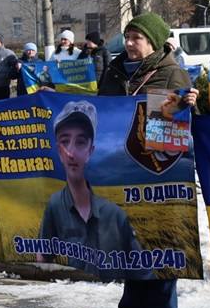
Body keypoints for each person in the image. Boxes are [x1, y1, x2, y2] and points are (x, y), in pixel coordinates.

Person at [97, 12, 197, 308]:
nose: (129, 43)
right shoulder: (114, 71)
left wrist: (192, 104)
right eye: (127, 37)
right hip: (120, 166)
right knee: (129, 238)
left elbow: (188, 120)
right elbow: (100, 110)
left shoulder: (171, 73)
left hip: (158, 169)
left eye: (136, 38)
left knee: (161, 237)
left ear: (153, 42)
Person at [38, 100, 142, 274]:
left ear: (90, 151)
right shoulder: (55, 204)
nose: (71, 153)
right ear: (58, 151)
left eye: (80, 142)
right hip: (75, 290)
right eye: (65, 141)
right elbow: (42, 260)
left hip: (111, 290)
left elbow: (142, 271)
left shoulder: (115, 215)